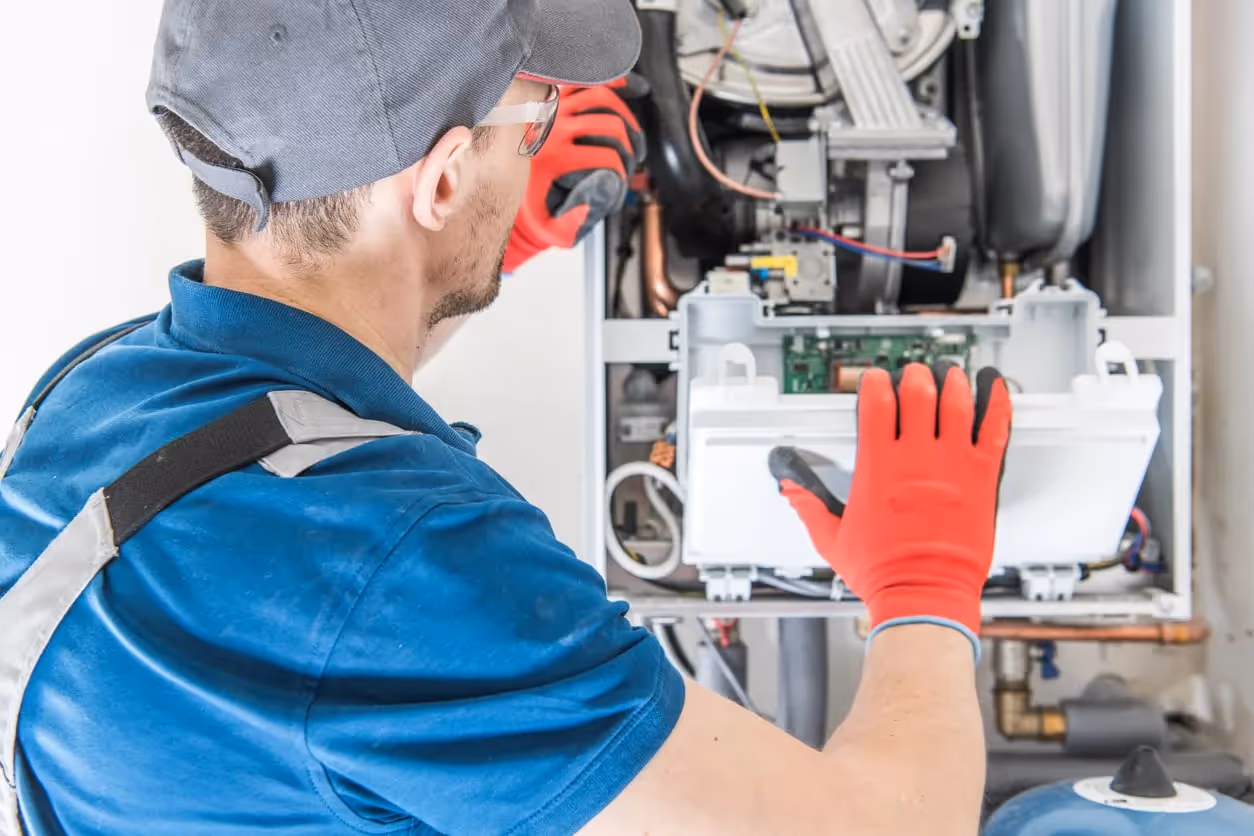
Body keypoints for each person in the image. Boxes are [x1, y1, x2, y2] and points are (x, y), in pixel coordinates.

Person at [0, 1, 1011, 834]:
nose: (541, 149)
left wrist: (470, 254)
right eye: (532, 124)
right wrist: (925, 589)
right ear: (440, 181)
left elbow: (295, 429)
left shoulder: (94, 391)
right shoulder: (407, 570)